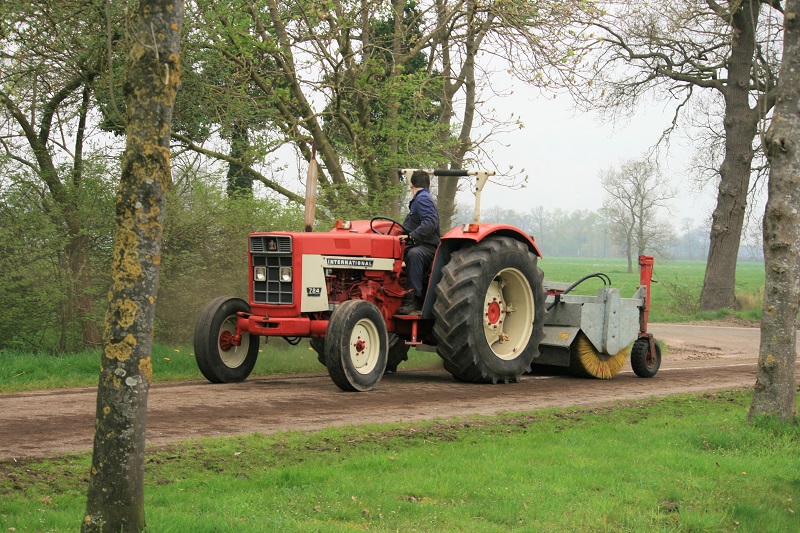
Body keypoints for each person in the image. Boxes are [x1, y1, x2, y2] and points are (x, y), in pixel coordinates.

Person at [397, 170, 441, 315]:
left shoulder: (422, 198)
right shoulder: (422, 198)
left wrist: (411, 236)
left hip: (426, 246)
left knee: (415, 255)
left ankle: (413, 300)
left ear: (412, 185)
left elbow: (430, 222)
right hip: (417, 243)